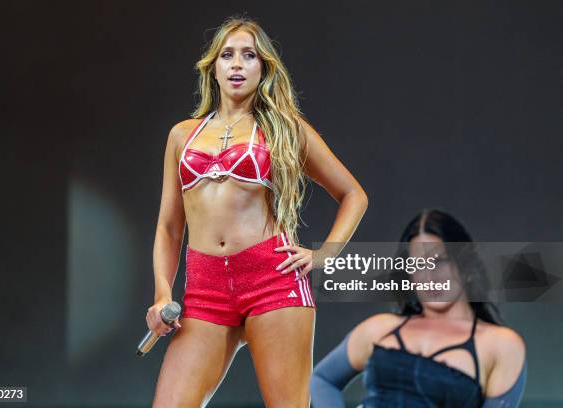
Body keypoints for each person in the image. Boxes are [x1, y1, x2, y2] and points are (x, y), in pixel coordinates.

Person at [146, 16, 368, 407]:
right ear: (212, 67)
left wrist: (324, 255)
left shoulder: (285, 128)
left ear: (262, 67)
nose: (236, 64)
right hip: (205, 289)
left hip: (272, 280)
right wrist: (162, 292)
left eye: (248, 55)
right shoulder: (182, 135)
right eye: (227, 55)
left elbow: (353, 194)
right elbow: (168, 227)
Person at [310, 209, 527, 407]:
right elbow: (321, 380)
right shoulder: (381, 328)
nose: (429, 277)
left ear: (466, 267)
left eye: (438, 261)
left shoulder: (500, 345)